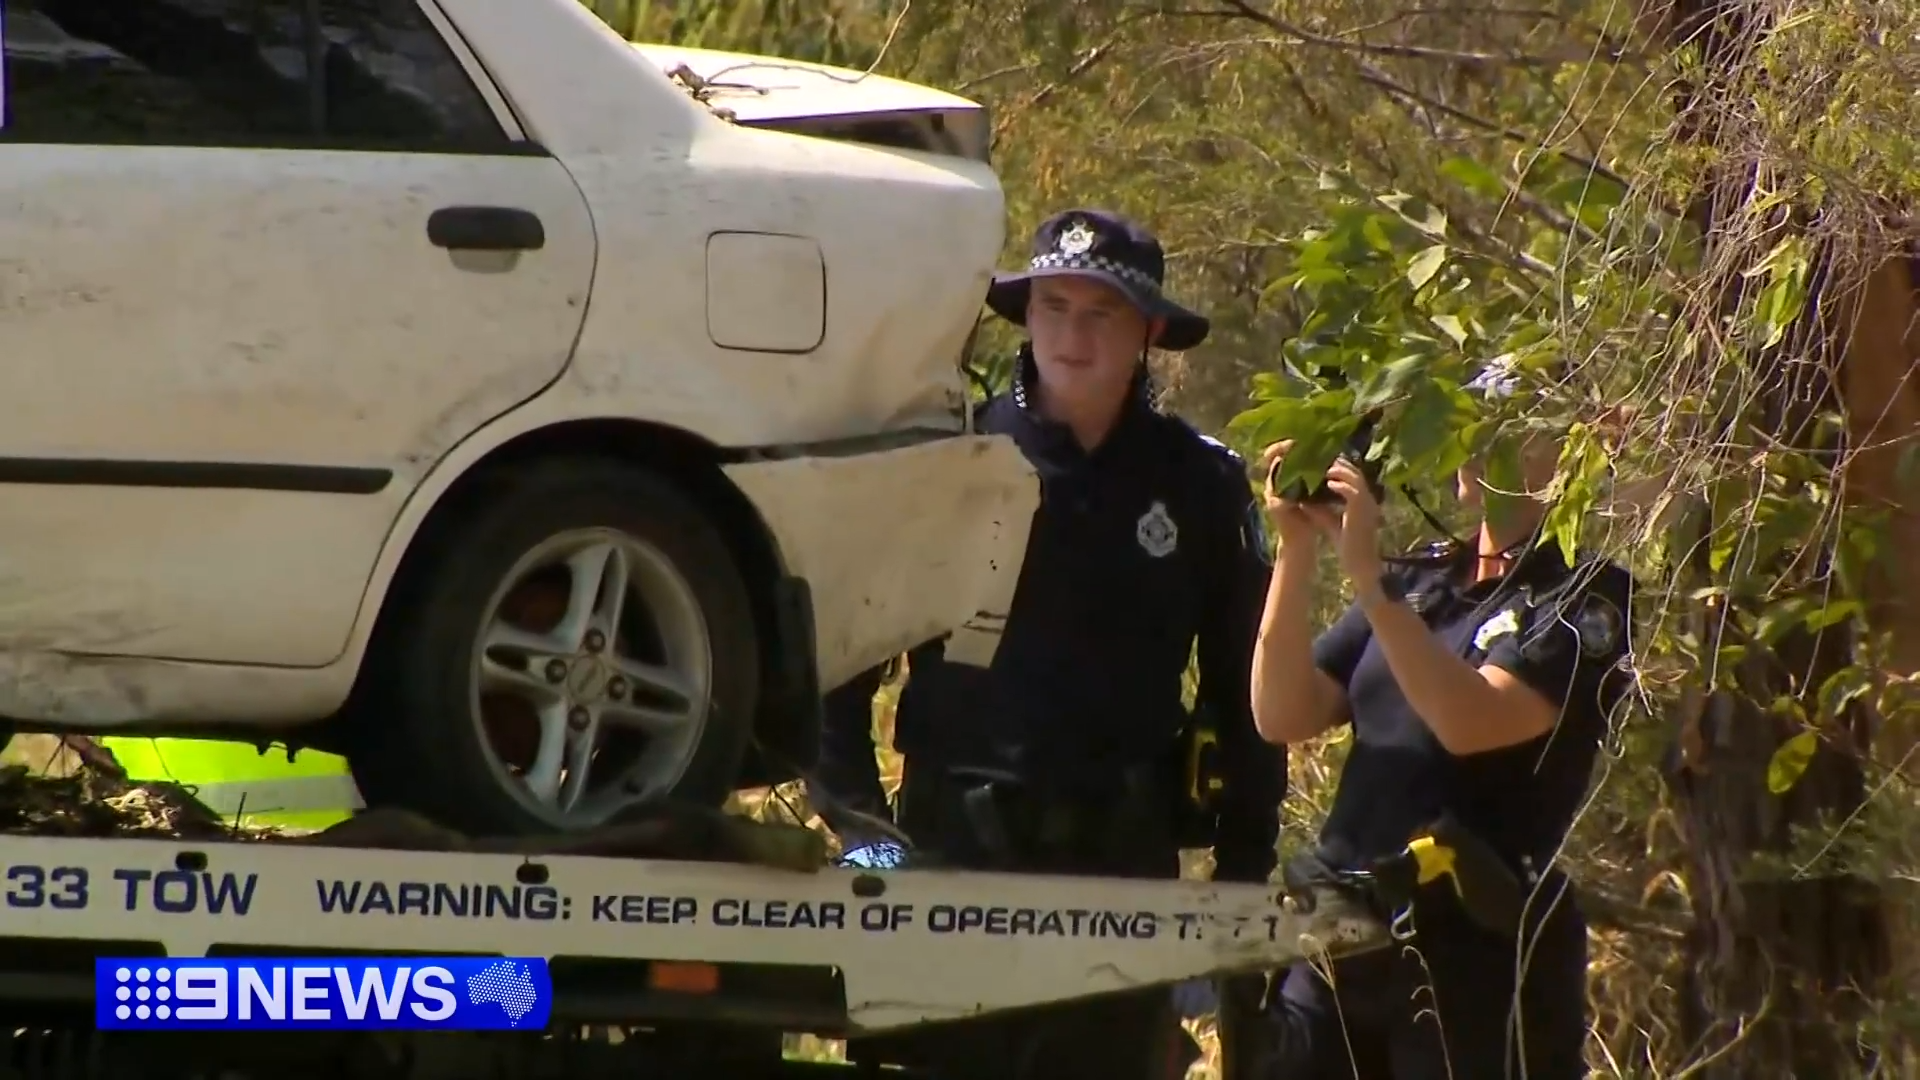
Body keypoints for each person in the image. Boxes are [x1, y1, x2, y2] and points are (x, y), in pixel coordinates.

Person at [816, 209, 1284, 1080]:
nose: (1072, 333)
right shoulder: (950, 457)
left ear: (1148, 331)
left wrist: (1243, 867)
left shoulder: (1200, 484)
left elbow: (1243, 690)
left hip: (1119, 865)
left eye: (1100, 312)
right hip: (954, 854)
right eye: (1053, 305)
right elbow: (840, 668)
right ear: (1025, 315)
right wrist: (865, 837)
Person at [1250, 380, 1634, 1080]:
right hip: (1340, 930)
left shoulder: (1585, 598)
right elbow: (1283, 713)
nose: (1480, 443)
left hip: (1469, 954)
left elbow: (1469, 720)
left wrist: (1369, 580)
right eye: (1471, 418)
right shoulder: (1428, 580)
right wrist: (1297, 549)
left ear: (1577, 446)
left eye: (1510, 425)